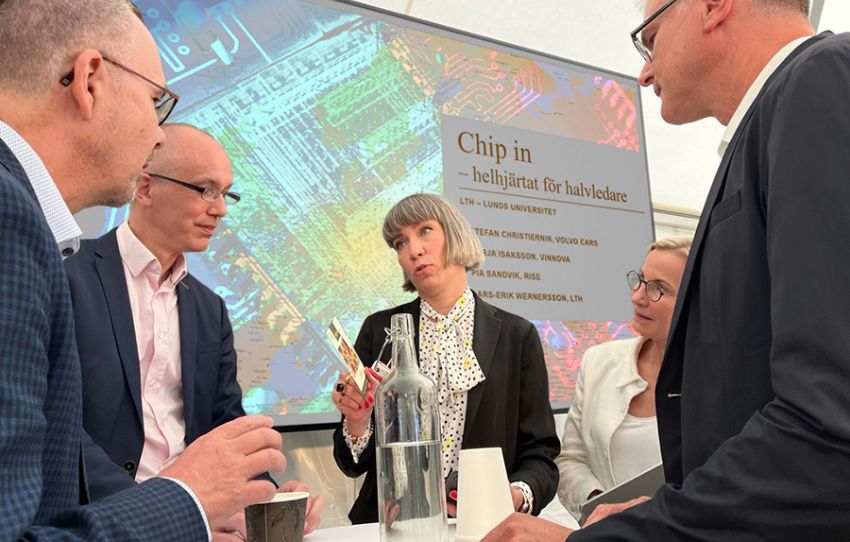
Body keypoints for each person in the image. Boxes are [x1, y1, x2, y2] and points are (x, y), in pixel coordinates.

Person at [484, 0, 850, 541]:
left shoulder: (819, 81)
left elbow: (828, 423)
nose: (645, 74)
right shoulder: (772, 121)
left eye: (649, 40)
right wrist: (661, 501)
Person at [0, 0, 283, 540]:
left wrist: (244, 497)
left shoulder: (207, 307)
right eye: (157, 102)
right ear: (89, 80)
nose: (158, 135)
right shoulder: (18, 226)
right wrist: (182, 501)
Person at [65, 124, 324, 534]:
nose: (220, 209)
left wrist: (266, 499)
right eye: (205, 190)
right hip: (103, 525)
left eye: (226, 193)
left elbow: (225, 423)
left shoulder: (209, 309)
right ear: (146, 188)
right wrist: (162, 513)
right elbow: (59, 427)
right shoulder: (68, 277)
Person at [331, 193, 560, 524]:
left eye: (425, 230)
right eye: (399, 243)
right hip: (392, 527)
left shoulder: (516, 335)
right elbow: (352, 464)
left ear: (455, 234)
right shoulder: (380, 329)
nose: (413, 250)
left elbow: (540, 453)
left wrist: (513, 496)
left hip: (482, 526)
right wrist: (356, 420)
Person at [556, 237, 690, 519]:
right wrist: (599, 504)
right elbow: (571, 461)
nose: (637, 296)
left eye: (658, 289)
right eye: (641, 280)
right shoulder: (598, 363)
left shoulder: (722, 382)